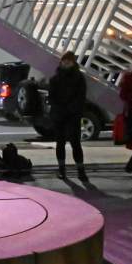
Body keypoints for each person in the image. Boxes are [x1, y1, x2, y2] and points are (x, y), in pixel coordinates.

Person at [48, 51, 88, 181]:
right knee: (60, 143)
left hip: (72, 115)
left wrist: (71, 109)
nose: (66, 63)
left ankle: (80, 171)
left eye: (69, 61)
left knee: (75, 143)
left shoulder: (79, 78)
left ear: (73, 62)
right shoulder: (55, 79)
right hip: (61, 114)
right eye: (64, 60)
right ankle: (62, 170)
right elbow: (51, 97)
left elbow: (81, 96)